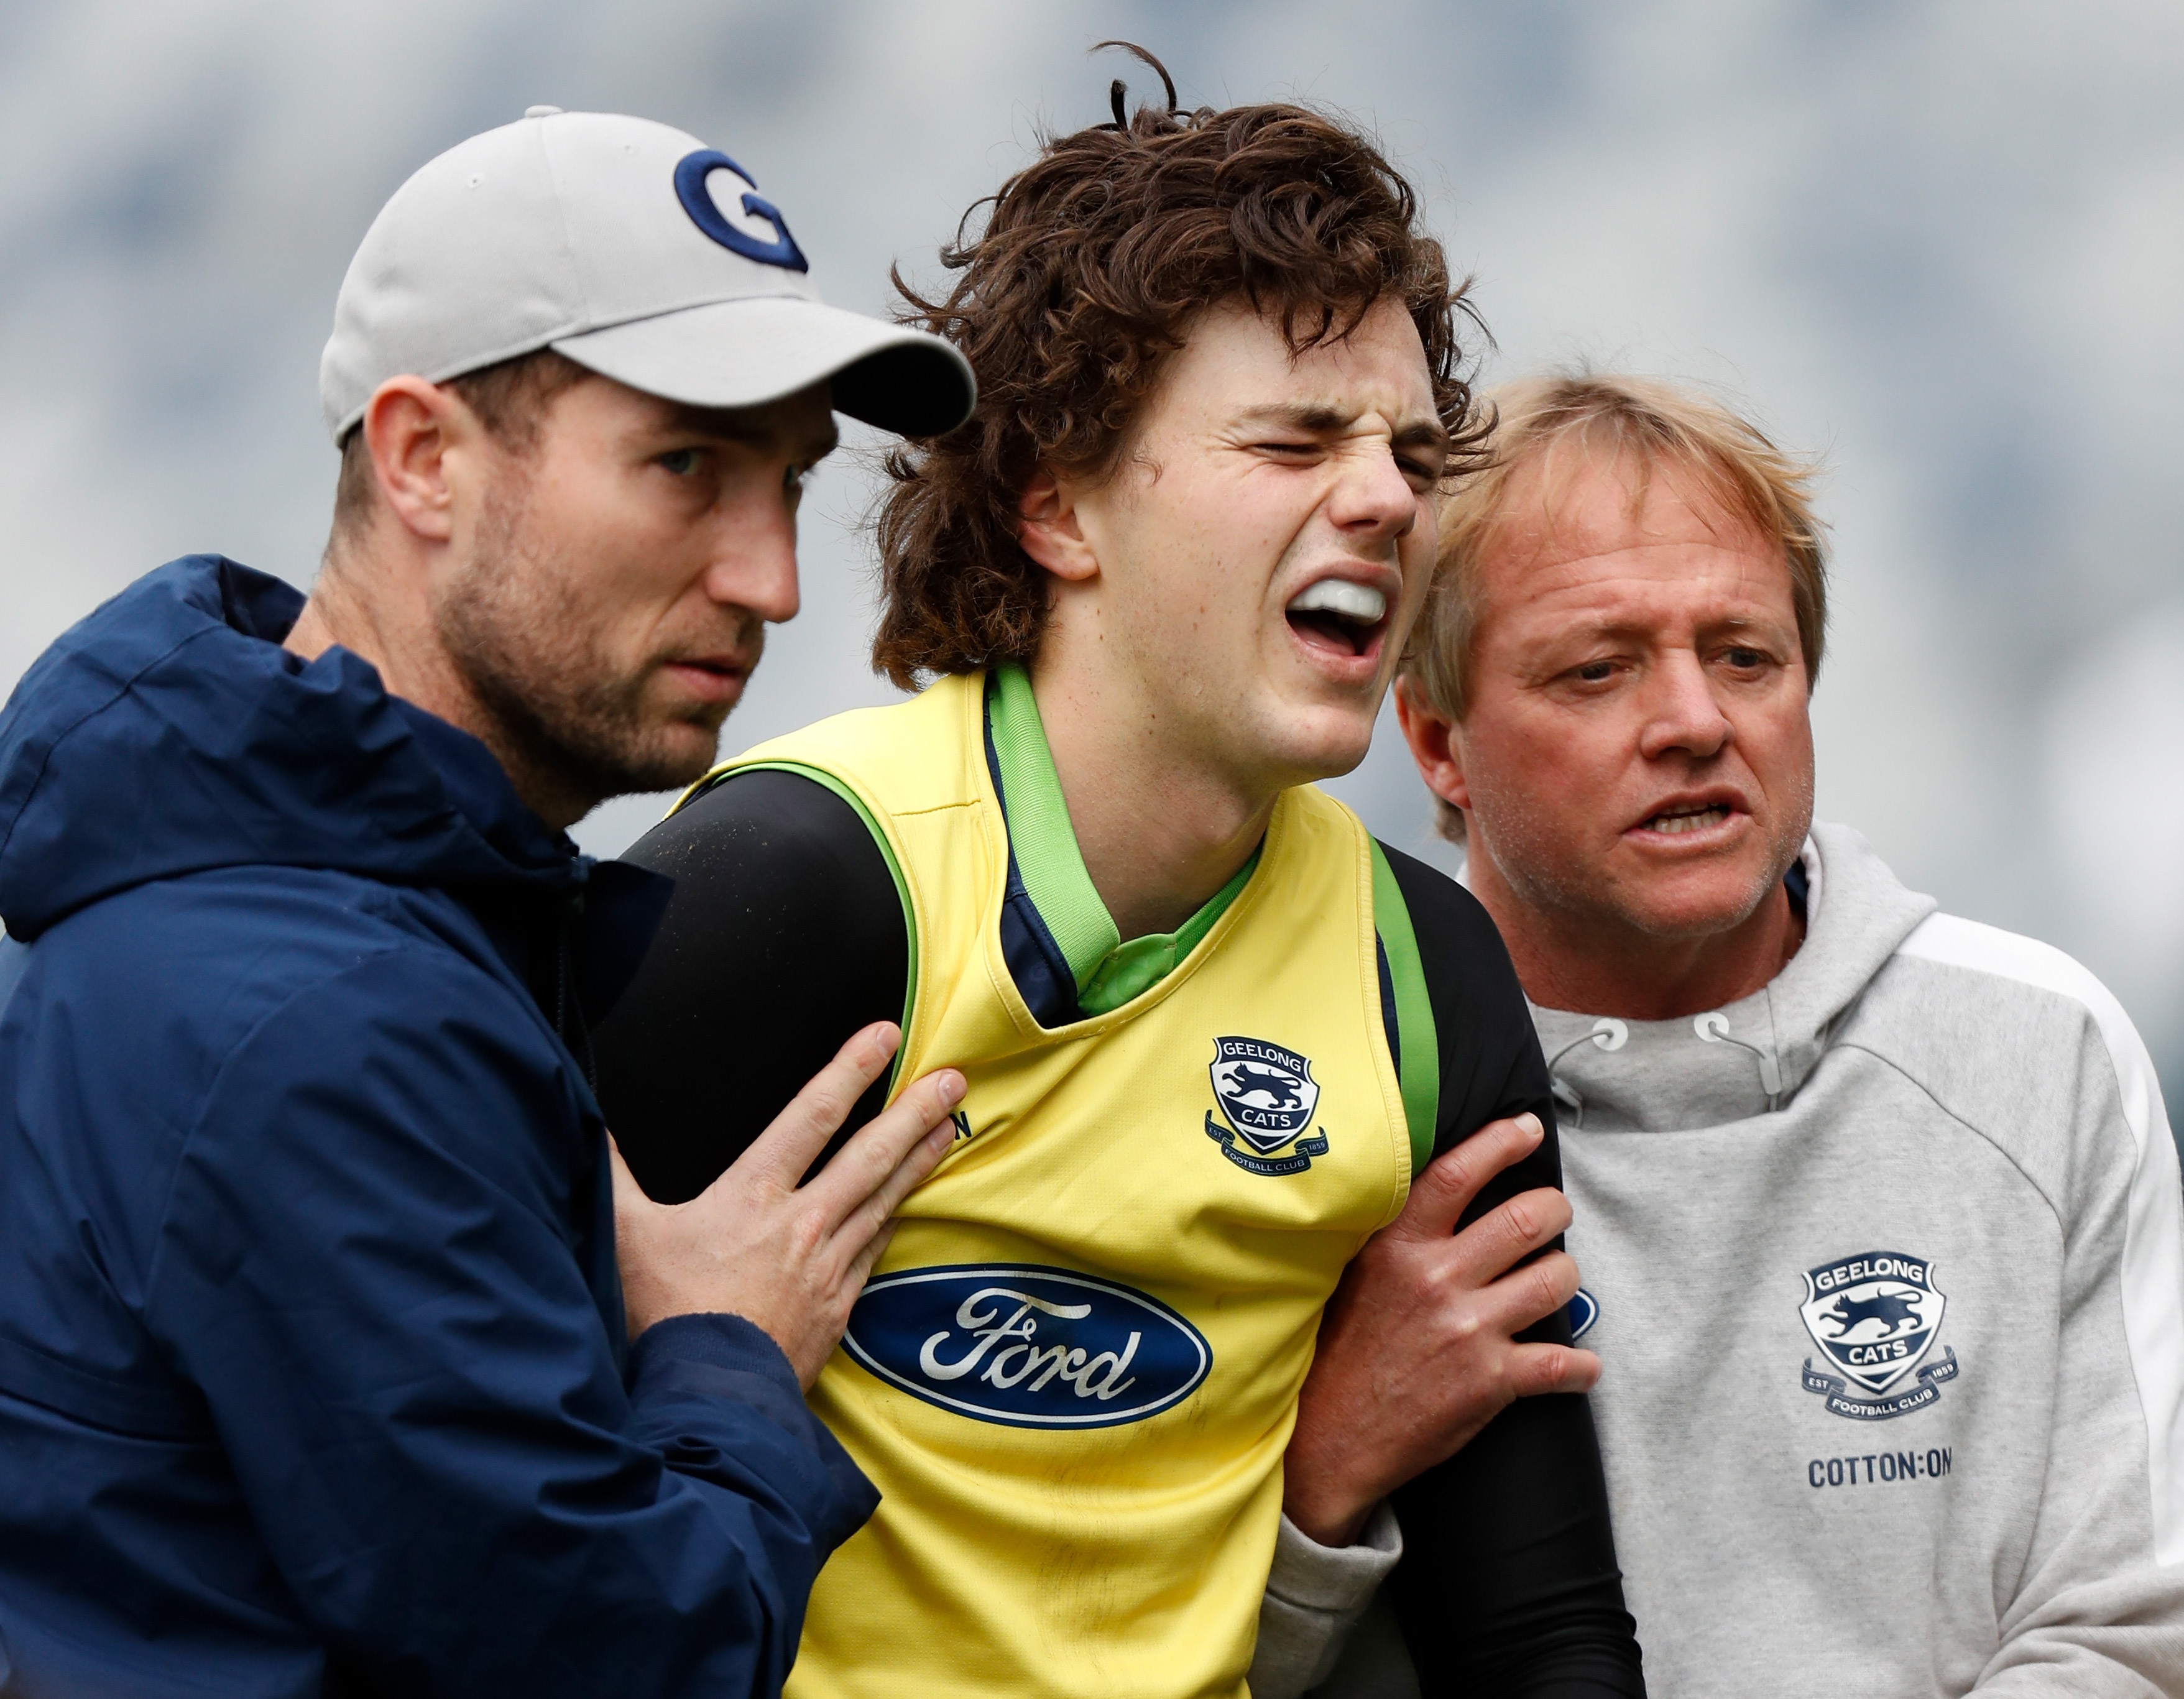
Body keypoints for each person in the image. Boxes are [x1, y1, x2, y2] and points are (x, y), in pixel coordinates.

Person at [593, 60, 1646, 1699]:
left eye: (1406, 451)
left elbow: (1538, 1634)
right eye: (1294, 439)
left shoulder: (1419, 968)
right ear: (1055, 504)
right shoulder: (795, 887)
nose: (1385, 496)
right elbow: (476, 1510)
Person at [0, 108, 980, 1697]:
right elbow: (619, 1658)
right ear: (422, 458)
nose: (772, 580)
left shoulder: (325, 913)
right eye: (685, 465)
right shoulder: (319, 1013)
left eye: (790, 483)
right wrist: (723, 1353)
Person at [1289, 371, 2184, 1695]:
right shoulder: (1304, 1092)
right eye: (1597, 669)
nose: (1694, 722)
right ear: (1435, 743)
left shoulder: (2039, 1051)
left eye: (1743, 656)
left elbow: (2131, 1631)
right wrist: (1321, 1484)